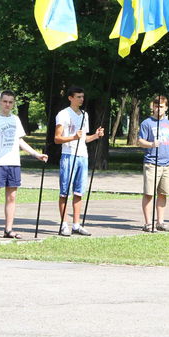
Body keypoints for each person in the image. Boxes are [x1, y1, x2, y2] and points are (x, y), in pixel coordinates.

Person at [0, 90, 48, 240]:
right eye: (5, 101)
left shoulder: (15, 120)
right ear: (0, 102)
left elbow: (20, 141)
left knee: (11, 197)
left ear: (13, 104)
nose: (7, 104)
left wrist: (36, 154)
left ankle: (8, 229)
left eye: (10, 102)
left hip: (13, 163)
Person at [54, 86, 104, 237]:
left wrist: (95, 136)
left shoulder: (85, 115)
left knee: (79, 192)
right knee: (64, 192)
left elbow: (84, 138)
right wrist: (73, 137)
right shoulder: (63, 114)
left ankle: (76, 224)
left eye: (82, 97)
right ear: (70, 98)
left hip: (82, 156)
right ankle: (64, 224)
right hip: (69, 155)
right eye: (78, 97)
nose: (82, 99)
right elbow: (57, 139)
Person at [137, 96, 169, 232]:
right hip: (152, 163)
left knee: (163, 193)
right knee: (149, 193)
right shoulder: (147, 123)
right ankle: (148, 223)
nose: (158, 109)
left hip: (167, 163)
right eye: (156, 106)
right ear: (152, 107)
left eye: (161, 106)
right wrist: (151, 144)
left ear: (166, 108)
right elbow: (140, 141)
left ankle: (160, 222)